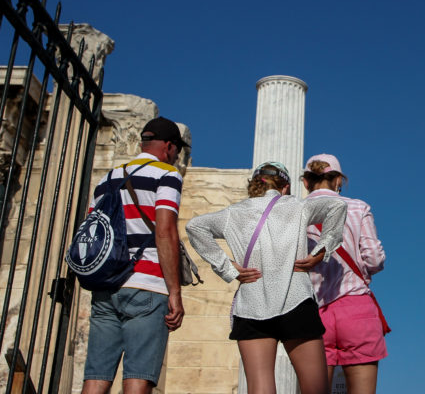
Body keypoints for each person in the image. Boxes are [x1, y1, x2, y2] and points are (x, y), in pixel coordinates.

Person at [185, 161, 346, 394]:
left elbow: (194, 226)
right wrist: (320, 251)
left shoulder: (233, 213)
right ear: (286, 187)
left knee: (259, 387)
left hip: (251, 305)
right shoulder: (297, 206)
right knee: (315, 388)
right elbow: (337, 206)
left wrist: (228, 268)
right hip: (296, 300)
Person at [82, 116, 187, 394]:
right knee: (138, 379)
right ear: (168, 146)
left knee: (95, 378)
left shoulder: (107, 178)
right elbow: (165, 231)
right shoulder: (167, 174)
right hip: (147, 284)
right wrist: (174, 291)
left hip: (107, 286)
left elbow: (93, 231)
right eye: (177, 150)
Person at [303, 154, 387, 394]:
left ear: (305, 182)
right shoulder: (358, 207)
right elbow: (375, 259)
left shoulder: (295, 211)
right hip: (357, 307)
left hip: (312, 311)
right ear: (339, 180)